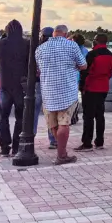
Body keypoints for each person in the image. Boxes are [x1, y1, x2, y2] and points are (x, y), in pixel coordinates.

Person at [35, 24, 87, 165]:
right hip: (67, 91)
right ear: (65, 33)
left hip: (48, 92)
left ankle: (61, 152)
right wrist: (73, 66)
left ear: (53, 34)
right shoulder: (72, 46)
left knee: (53, 124)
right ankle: (61, 155)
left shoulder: (40, 49)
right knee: (64, 123)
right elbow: (83, 65)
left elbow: (38, 70)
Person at [0, 19, 29, 156]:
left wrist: (4, 37)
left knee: (4, 117)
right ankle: (16, 146)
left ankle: (4, 147)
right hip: (20, 85)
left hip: (5, 85)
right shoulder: (26, 44)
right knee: (20, 117)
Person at [75, 34, 112, 151]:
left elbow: (85, 72)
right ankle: (99, 141)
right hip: (104, 87)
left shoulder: (92, 54)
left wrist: (81, 87)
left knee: (88, 116)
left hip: (91, 87)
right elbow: (110, 72)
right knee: (100, 115)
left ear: (96, 41)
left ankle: (87, 142)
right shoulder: (110, 55)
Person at [34, 29, 58, 149]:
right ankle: (53, 139)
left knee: (34, 111)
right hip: (51, 84)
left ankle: (31, 136)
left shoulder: (37, 48)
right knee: (51, 112)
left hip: (38, 83)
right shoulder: (57, 49)